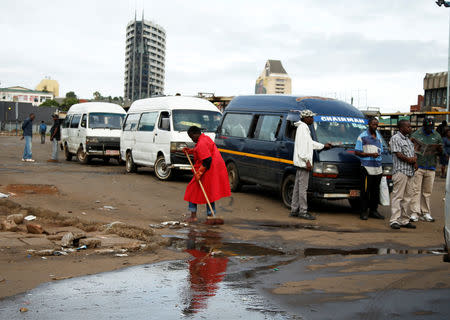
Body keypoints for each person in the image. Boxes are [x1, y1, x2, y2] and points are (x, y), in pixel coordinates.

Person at [183, 126, 231, 223]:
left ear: (195, 134)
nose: (192, 139)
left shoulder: (201, 143)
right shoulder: (205, 138)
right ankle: (211, 214)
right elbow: (201, 151)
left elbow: (207, 160)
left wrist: (199, 173)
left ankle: (193, 216)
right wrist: (190, 151)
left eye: (192, 137)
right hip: (213, 168)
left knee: (192, 190)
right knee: (209, 191)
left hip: (208, 169)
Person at [290, 109, 331, 220]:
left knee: (297, 188)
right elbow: (303, 148)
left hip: (300, 163)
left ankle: (294, 209)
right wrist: (307, 161)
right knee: (303, 188)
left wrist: (323, 146)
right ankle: (303, 211)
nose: (313, 119)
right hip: (304, 163)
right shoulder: (303, 128)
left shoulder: (302, 127)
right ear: (306, 118)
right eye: (311, 117)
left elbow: (309, 143)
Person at [410, 117, 443, 222]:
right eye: (428, 127)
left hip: (431, 166)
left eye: (431, 127)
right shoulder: (416, 134)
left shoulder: (436, 135)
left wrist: (439, 149)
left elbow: (441, 151)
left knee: (427, 192)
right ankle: (415, 212)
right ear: (424, 126)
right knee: (416, 190)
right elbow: (411, 149)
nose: (430, 129)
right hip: (418, 166)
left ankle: (425, 212)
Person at [354, 117, 385, 220]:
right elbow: (357, 152)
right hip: (367, 168)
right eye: (373, 124)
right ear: (369, 124)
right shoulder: (362, 136)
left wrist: (378, 157)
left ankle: (373, 211)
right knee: (365, 191)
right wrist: (370, 154)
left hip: (378, 168)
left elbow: (381, 150)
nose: (375, 126)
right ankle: (363, 212)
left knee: (375, 191)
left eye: (376, 125)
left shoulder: (379, 136)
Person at [388, 120, 417, 230]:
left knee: (408, 197)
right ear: (401, 128)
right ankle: (394, 220)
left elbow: (413, 154)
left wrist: (415, 162)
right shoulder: (396, 138)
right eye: (408, 127)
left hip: (410, 172)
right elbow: (398, 154)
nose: (410, 128)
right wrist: (410, 160)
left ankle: (404, 220)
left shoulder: (408, 140)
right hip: (400, 171)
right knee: (398, 196)